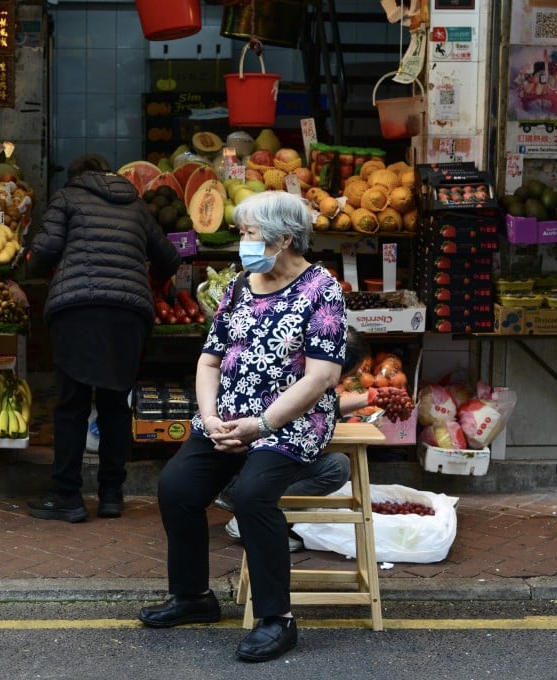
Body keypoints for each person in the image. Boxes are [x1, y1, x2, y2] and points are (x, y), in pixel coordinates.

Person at [138, 190, 347, 664]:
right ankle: (193, 597)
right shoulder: (238, 286)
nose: (243, 242)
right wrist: (210, 416)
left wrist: (262, 424)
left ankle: (277, 620)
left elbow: (323, 376)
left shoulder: (322, 289)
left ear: (285, 239)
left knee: (252, 494)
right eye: (243, 232)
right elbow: (209, 361)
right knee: (176, 487)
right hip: (228, 416)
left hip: (290, 422)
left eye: (251, 234)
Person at [25, 153, 181, 523]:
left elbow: (44, 249)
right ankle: (112, 495)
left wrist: (35, 271)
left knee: (72, 404)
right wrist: (150, 279)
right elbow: (170, 258)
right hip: (128, 314)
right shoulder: (137, 205)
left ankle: (67, 495)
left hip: (77, 309)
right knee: (115, 403)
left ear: (78, 177)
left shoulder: (67, 197)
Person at [220, 327, 370, 546]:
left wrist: (367, 399)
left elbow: (321, 407)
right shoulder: (307, 382)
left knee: (331, 462)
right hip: (242, 478)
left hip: (240, 473)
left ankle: (257, 511)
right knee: (337, 467)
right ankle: (252, 515)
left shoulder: (292, 368)